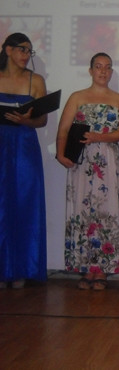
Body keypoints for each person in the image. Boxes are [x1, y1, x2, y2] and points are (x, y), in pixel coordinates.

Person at [56, 52, 119, 290]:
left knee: (107, 211)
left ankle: (103, 269)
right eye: (98, 66)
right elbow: (63, 129)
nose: (103, 71)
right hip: (81, 160)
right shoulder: (77, 97)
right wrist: (60, 154)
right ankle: (86, 267)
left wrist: (99, 137)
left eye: (107, 67)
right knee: (83, 210)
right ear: (90, 70)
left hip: (108, 160)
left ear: (111, 72)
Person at [0, 32, 47, 289]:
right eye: (22, 49)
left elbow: (42, 120)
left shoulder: (36, 81)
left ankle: (21, 268)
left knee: (24, 202)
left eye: (30, 51)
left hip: (24, 145)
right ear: (7, 50)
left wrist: (26, 120)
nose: (26, 55)